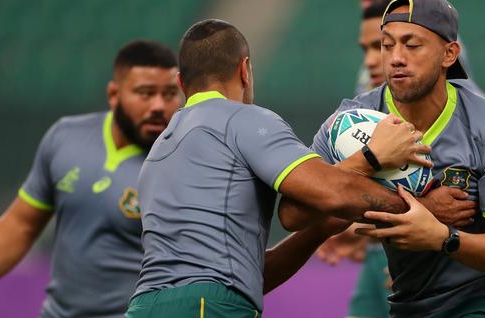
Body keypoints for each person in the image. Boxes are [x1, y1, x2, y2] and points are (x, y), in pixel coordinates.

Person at [125, 19, 432, 318]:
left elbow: (251, 279)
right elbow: (332, 192)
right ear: (244, 70)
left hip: (142, 305)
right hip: (206, 306)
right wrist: (382, 164)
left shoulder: (158, 153)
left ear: (180, 83)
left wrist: (323, 229)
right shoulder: (243, 120)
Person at [308, 0, 485, 317]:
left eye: (412, 45)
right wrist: (372, 164)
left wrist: (442, 238)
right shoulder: (349, 122)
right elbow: (294, 214)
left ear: (449, 54)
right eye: (387, 45)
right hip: (409, 304)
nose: (395, 57)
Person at [0, 40, 183, 317]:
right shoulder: (65, 138)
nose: (158, 105)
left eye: (169, 94)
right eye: (145, 93)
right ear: (114, 94)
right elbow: (20, 226)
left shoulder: (183, 161)